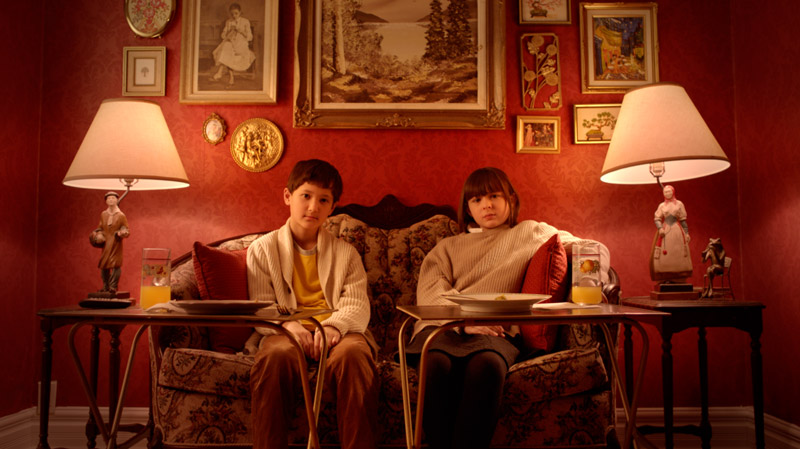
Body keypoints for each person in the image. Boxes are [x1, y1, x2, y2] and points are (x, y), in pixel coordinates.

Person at [407, 167, 610, 449]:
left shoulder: (532, 232)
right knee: (435, 365)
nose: (486, 205)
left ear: (511, 199)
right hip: (444, 327)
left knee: (487, 366)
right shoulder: (448, 247)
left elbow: (590, 247)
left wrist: (593, 279)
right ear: (468, 208)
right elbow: (431, 292)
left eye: (494, 196)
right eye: (477, 200)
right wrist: (466, 323)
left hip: (496, 332)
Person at [246, 159, 378, 449]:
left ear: (333, 207)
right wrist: (289, 325)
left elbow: (356, 304)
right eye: (305, 195)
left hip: (337, 331)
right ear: (287, 196)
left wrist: (333, 326)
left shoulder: (346, 253)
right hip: (284, 331)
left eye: (323, 200)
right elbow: (261, 306)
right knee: (275, 356)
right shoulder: (262, 249)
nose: (313, 207)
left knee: (354, 355)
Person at [89, 191, 130, 296]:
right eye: (109, 198)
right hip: (106, 242)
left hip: (116, 243)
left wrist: (122, 232)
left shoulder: (121, 215)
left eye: (113, 198)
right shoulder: (103, 214)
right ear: (106, 201)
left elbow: (125, 228)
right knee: (104, 265)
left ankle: (113, 287)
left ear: (117, 200)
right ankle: (105, 286)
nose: (111, 200)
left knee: (116, 265)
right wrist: (99, 234)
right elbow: (100, 227)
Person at [650, 184, 692, 282]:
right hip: (665, 231)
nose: (667, 193)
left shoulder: (679, 204)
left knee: (678, 251)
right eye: (665, 192)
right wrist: (660, 228)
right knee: (665, 252)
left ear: (673, 192)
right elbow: (657, 219)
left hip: (677, 231)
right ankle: (665, 274)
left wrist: (686, 233)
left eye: (669, 191)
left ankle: (679, 274)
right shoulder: (662, 206)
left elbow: (683, 221)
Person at [211, 3, 256, 85]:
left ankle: (220, 73)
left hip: (241, 44)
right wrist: (227, 34)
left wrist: (241, 31)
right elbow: (223, 35)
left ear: (240, 12)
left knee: (227, 51)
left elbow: (250, 37)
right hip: (231, 43)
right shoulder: (229, 22)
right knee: (227, 47)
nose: (234, 16)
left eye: (236, 13)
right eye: (232, 14)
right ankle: (231, 77)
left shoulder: (245, 22)